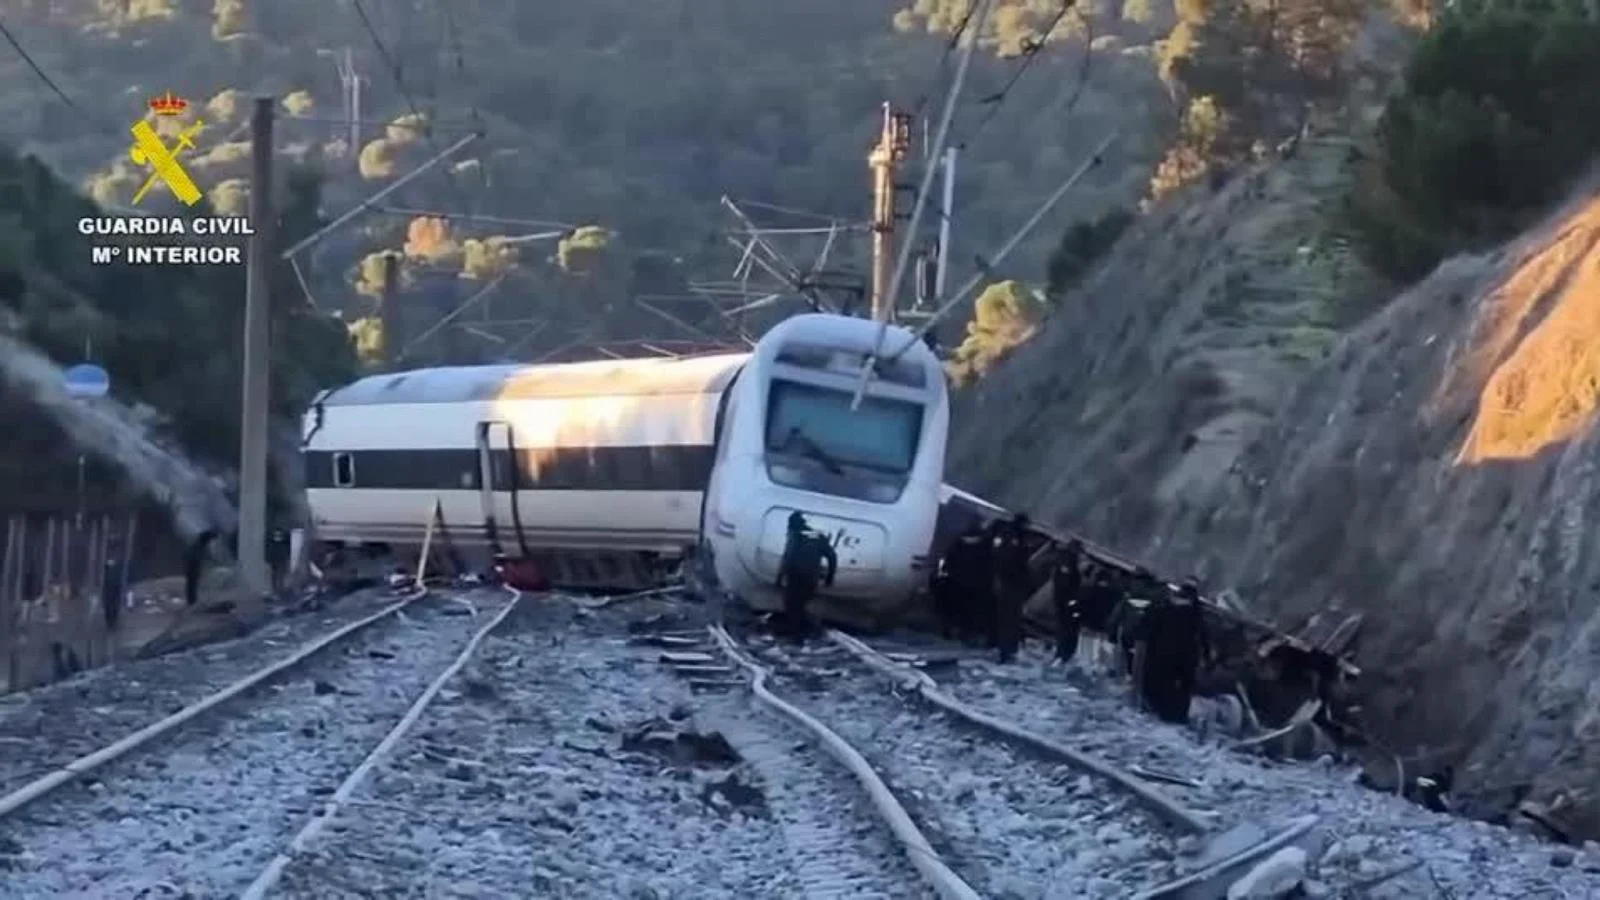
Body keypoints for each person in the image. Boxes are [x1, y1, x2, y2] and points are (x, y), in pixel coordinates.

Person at [776, 511, 836, 641]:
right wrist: (829, 577)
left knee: (792, 605)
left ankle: (797, 636)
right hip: (811, 578)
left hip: (796, 575)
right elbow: (832, 556)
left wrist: (779, 578)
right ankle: (801, 632)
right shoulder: (817, 535)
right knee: (800, 604)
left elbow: (788, 556)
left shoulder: (795, 535)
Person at [992, 513, 1032, 664]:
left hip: (1008, 583)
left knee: (1007, 617)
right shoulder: (1015, 539)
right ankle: (1007, 650)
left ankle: (1006, 649)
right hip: (1011, 583)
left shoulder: (1008, 537)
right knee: (1010, 618)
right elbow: (1013, 562)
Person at [1052, 539, 1084, 662]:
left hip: (1064, 601)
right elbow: (1066, 584)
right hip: (1066, 602)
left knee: (1066, 627)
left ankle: (1063, 653)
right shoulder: (1067, 562)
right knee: (1067, 627)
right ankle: (1063, 653)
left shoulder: (1066, 560)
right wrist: (1072, 601)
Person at [183, 529, 219, 608]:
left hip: (192, 565)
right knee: (192, 583)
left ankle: (192, 600)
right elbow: (199, 555)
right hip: (193, 565)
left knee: (192, 583)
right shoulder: (199, 544)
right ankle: (191, 601)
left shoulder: (198, 543)